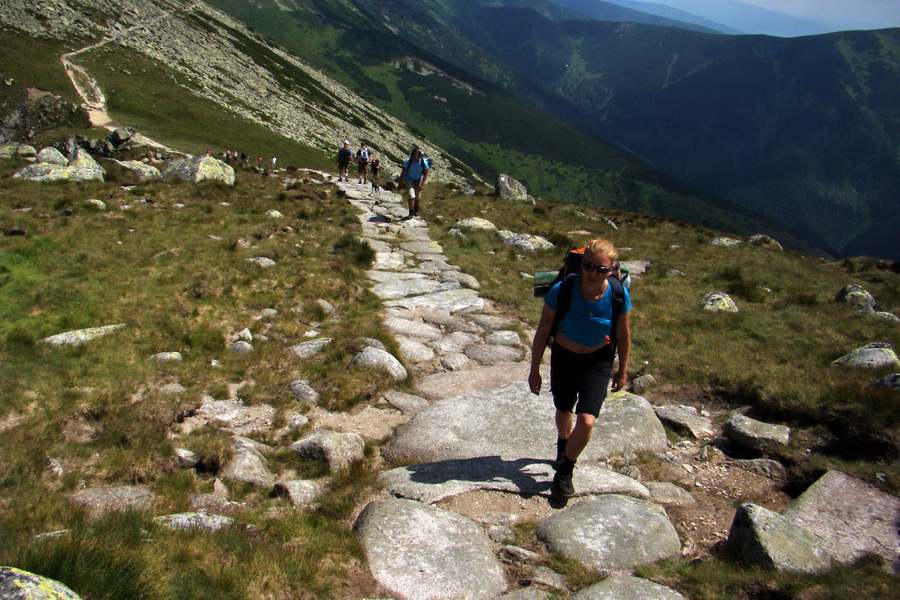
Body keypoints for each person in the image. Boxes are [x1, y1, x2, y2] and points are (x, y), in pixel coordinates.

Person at [528, 238, 632, 498]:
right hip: (564, 357)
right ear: (582, 264)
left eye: (601, 269)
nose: (592, 273)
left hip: (598, 362)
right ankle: (564, 446)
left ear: (610, 271)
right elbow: (542, 330)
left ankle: (565, 470)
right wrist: (534, 369)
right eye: (588, 266)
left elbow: (624, 334)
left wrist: (622, 370)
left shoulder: (618, 294)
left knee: (586, 421)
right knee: (563, 409)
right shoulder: (562, 290)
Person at [398, 147, 429, 219]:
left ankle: (416, 210)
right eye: (414, 156)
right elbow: (403, 172)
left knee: (417, 197)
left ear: (420, 156)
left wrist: (422, 184)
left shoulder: (423, 162)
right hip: (409, 180)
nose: (415, 157)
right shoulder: (408, 161)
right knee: (411, 195)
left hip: (419, 180)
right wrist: (400, 184)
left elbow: (425, 173)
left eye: (417, 156)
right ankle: (411, 212)